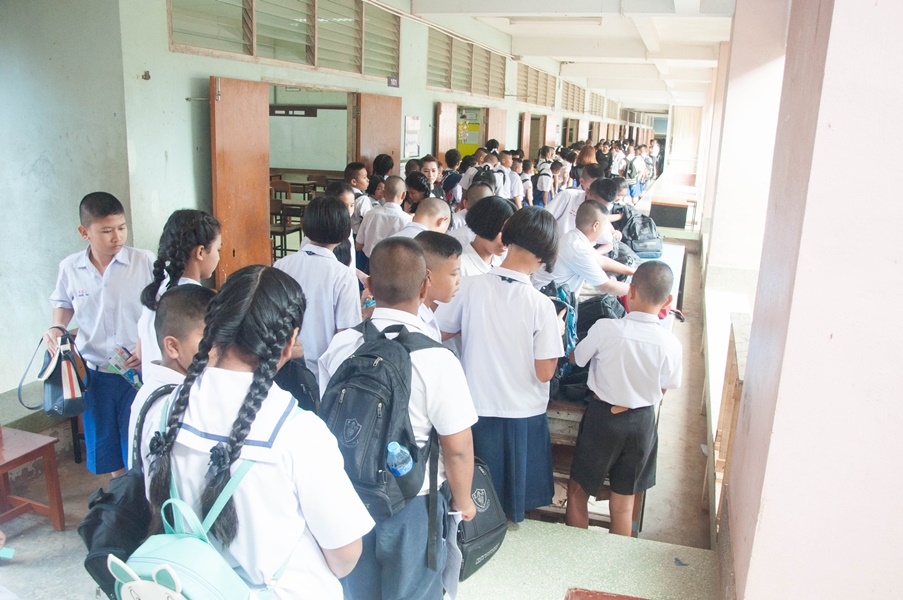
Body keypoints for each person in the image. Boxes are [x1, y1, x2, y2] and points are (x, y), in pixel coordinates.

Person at [141, 265, 373, 598]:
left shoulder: (162, 411)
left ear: (214, 326)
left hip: (189, 587)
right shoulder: (299, 432)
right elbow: (345, 556)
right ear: (290, 341)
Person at [319, 238, 477, 600]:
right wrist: (463, 500)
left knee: (354, 592)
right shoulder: (438, 360)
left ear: (370, 286)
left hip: (347, 497)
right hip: (412, 502)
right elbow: (457, 448)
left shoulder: (341, 346)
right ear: (424, 286)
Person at [435, 207, 563, 524]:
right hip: (522, 414)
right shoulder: (541, 306)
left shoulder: (469, 287)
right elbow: (545, 372)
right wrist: (557, 333)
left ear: (507, 238)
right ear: (544, 256)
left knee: (476, 501)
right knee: (511, 504)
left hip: (475, 408)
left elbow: (439, 331)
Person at [565, 261, 682, 536]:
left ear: (631, 291)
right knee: (622, 505)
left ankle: (573, 554)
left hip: (603, 419)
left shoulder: (606, 329)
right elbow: (665, 388)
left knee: (578, 493)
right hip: (642, 422)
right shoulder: (671, 344)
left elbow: (576, 359)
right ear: (667, 301)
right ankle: (617, 561)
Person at [46, 192, 155, 476]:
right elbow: (63, 303)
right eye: (106, 231)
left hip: (136, 372)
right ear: (85, 232)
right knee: (106, 447)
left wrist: (145, 345)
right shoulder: (71, 268)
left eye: (121, 227)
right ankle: (120, 494)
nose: (117, 237)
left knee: (138, 443)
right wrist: (57, 327)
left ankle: (140, 496)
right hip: (95, 375)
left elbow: (162, 308)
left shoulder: (144, 262)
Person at [127, 284, 214, 469]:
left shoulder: (156, 386)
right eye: (208, 340)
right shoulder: (173, 403)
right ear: (173, 347)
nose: (217, 350)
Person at [274, 196, 362, 379]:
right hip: (321, 373)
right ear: (345, 232)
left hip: (282, 364)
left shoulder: (281, 264)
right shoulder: (343, 275)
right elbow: (346, 335)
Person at [136, 209, 221, 371]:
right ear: (200, 252)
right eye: (218, 249)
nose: (218, 257)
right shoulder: (196, 301)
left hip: (153, 383)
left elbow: (140, 353)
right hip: (183, 385)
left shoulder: (154, 291)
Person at [532, 201, 630, 298]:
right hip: (547, 298)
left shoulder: (573, 237)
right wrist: (637, 290)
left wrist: (632, 271)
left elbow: (601, 260)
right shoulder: (578, 249)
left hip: (544, 292)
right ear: (595, 225)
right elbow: (607, 287)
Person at [414, 231, 463, 342]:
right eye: (454, 274)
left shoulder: (426, 312)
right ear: (428, 276)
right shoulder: (415, 325)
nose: (458, 281)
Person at [458, 196, 515, 277]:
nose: (508, 239)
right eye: (502, 231)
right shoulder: (459, 267)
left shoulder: (499, 262)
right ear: (484, 226)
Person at [356, 176, 412, 259]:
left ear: (383, 193)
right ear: (403, 195)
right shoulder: (408, 220)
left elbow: (358, 245)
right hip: (394, 263)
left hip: (369, 262)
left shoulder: (370, 214)